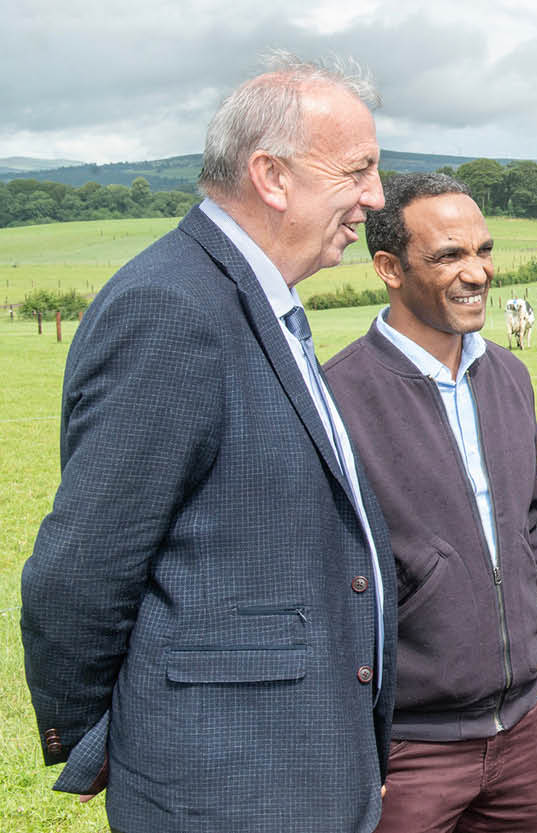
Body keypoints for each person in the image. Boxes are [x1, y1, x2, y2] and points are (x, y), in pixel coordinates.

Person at [20, 52, 398, 832]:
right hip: (225, 780)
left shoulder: (259, 298)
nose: (376, 197)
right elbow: (83, 564)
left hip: (294, 763)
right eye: (358, 170)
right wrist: (106, 734)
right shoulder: (173, 306)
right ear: (272, 176)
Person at [321, 172, 537, 833]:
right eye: (448, 255)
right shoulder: (335, 397)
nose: (477, 273)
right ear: (388, 267)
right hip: (408, 745)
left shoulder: (509, 376)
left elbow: (525, 530)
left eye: (483, 250)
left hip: (525, 732)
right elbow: (319, 578)